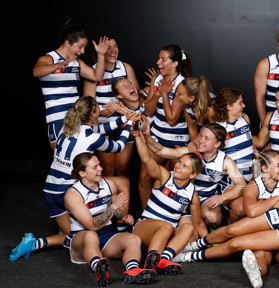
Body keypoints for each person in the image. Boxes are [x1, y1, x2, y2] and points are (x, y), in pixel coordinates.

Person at [10, 96, 136, 262]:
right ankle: (121, 230)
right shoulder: (91, 137)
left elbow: (99, 130)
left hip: (50, 190)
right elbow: (118, 146)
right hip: (69, 193)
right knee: (122, 184)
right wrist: (128, 125)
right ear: (93, 114)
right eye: (97, 108)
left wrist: (124, 118)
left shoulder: (68, 127)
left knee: (73, 237)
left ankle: (34, 243)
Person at [173, 150, 279, 288]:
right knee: (259, 256)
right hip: (263, 230)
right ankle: (255, 273)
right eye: (278, 165)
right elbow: (251, 211)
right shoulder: (254, 185)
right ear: (265, 168)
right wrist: (277, 199)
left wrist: (265, 204)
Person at [62, 153, 156, 287]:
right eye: (95, 167)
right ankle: (99, 267)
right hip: (81, 240)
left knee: (133, 239)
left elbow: (117, 212)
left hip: (106, 236)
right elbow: (92, 225)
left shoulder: (109, 185)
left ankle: (133, 271)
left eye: (99, 165)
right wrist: (115, 206)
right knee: (91, 235)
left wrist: (123, 215)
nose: (100, 169)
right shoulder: (73, 195)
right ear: (82, 173)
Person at [131, 124, 206, 276]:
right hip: (144, 228)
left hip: (166, 233)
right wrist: (138, 137)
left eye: (184, 166)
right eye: (179, 162)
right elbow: (146, 159)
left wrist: (209, 243)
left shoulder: (192, 194)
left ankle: (163, 259)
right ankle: (149, 265)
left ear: (192, 175)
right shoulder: (164, 176)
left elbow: (198, 223)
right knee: (166, 226)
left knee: (188, 227)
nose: (178, 166)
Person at [144, 121, 247, 229]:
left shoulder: (225, 161)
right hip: (185, 197)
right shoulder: (190, 152)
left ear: (217, 144)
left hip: (205, 198)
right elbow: (161, 151)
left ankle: (215, 230)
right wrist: (147, 137)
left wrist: (222, 197)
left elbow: (242, 184)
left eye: (206, 139)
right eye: (201, 136)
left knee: (213, 218)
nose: (201, 141)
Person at [33, 19, 109, 150]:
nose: (83, 51)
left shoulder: (76, 62)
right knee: (61, 154)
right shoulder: (49, 58)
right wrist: (59, 65)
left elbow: (97, 76)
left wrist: (101, 55)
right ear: (67, 43)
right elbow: (36, 71)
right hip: (57, 117)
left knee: (81, 155)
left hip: (77, 115)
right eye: (80, 47)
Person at [139, 44, 193, 209]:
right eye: (159, 58)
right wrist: (157, 92)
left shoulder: (182, 85)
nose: (158, 62)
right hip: (157, 137)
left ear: (175, 63)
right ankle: (145, 217)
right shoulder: (157, 79)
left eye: (163, 59)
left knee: (172, 181)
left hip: (176, 141)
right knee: (144, 177)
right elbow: (148, 110)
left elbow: (172, 120)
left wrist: (163, 93)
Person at [83, 34, 141, 177]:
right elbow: (89, 104)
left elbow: (137, 98)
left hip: (124, 124)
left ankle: (123, 199)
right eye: (108, 48)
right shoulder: (92, 71)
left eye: (115, 46)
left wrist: (116, 107)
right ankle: (108, 199)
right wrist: (99, 117)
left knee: (122, 168)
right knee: (107, 168)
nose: (113, 51)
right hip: (103, 127)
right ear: (99, 51)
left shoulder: (125, 68)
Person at [208, 87, 255, 182]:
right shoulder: (217, 129)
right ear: (229, 106)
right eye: (240, 103)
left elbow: (251, 148)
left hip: (253, 178)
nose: (244, 105)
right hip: (233, 181)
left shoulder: (245, 118)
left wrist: (257, 175)